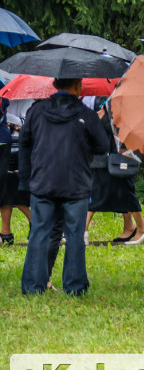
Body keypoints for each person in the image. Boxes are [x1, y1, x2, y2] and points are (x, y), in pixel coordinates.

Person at [20, 78, 107, 296]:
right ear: (77, 86)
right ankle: (75, 286)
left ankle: (32, 286)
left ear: (55, 85)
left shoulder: (36, 111)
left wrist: (25, 178)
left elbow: (24, 143)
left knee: (39, 233)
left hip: (42, 182)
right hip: (75, 184)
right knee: (75, 235)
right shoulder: (86, 115)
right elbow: (103, 146)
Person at [85, 100, 144, 245]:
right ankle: (138, 229)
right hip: (108, 156)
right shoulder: (107, 100)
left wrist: (102, 119)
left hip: (119, 156)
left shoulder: (121, 101)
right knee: (98, 191)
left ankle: (141, 229)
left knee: (123, 191)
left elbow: (120, 129)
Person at [0, 97, 30, 245]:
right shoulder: (6, 91)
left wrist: (13, 123)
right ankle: (5, 232)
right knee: (7, 188)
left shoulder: (31, 100)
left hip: (15, 146)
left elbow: (27, 124)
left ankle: (34, 222)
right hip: (8, 142)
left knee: (8, 187)